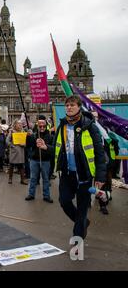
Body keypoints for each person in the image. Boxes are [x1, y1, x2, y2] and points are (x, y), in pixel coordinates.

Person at [54, 95, 106, 240]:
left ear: (79, 107)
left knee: (83, 208)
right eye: (67, 105)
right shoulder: (62, 126)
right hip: (67, 173)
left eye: (72, 105)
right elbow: (57, 148)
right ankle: (83, 223)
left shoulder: (90, 126)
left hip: (84, 174)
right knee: (64, 202)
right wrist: (45, 146)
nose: (69, 108)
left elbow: (100, 154)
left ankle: (78, 239)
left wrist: (101, 177)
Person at [25, 115, 54, 203]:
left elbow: (53, 149)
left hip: (45, 161)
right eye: (40, 126)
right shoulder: (34, 135)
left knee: (45, 179)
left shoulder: (50, 136)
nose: (42, 127)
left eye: (43, 126)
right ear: (37, 126)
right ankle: (31, 194)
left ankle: (46, 196)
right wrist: (28, 136)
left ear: (46, 126)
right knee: (33, 178)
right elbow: (29, 145)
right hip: (34, 160)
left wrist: (46, 146)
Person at [7, 120, 28, 185]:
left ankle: (22, 179)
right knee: (11, 165)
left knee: (21, 166)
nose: (20, 125)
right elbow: (7, 141)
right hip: (14, 151)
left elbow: (26, 141)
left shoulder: (23, 132)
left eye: (20, 124)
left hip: (21, 151)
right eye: (18, 124)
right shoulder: (12, 131)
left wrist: (24, 144)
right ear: (15, 125)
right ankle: (10, 178)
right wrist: (12, 146)